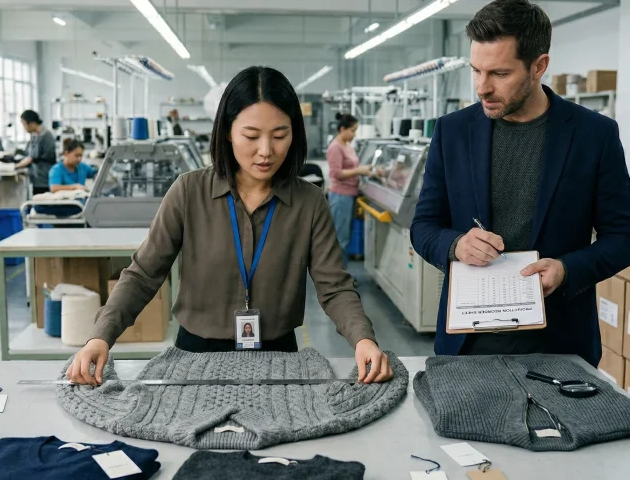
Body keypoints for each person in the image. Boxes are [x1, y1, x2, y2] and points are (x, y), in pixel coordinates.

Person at [67, 66, 393, 386]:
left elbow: (334, 286)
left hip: (279, 358)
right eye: (251, 136)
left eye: (280, 136)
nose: (266, 151)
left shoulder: (309, 202)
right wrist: (101, 336)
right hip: (195, 356)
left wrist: (363, 339)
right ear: (227, 131)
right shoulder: (189, 192)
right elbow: (142, 275)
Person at [409, 0, 630, 367]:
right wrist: (455, 245)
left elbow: (625, 239)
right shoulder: (453, 132)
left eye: (499, 74)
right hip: (469, 341)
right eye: (476, 71)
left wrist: (567, 270)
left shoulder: (593, 135)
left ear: (539, 66)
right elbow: (422, 227)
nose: (482, 88)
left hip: (559, 340)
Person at [326, 113, 374, 266]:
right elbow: (336, 173)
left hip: (349, 195)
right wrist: (359, 171)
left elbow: (352, 167)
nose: (354, 134)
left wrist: (371, 171)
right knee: (341, 239)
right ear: (342, 129)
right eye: (352, 130)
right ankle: (338, 279)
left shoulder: (347, 145)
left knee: (345, 236)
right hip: (340, 197)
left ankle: (342, 274)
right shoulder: (335, 147)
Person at [15, 110, 57, 195]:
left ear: (32, 123)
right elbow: (29, 154)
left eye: (24, 124)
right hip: (37, 178)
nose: (24, 127)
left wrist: (15, 167)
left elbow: (31, 158)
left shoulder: (45, 135)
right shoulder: (35, 135)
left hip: (44, 179)